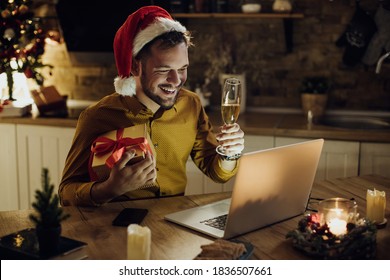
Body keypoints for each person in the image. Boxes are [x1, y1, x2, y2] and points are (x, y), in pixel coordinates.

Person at [59, 5, 245, 206]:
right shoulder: (97, 117)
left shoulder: (191, 104)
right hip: (117, 228)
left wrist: (229, 152)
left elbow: (217, 172)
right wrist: (108, 189)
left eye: (182, 68)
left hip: (175, 222)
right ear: (136, 66)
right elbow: (66, 193)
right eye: (164, 70)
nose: (176, 80)